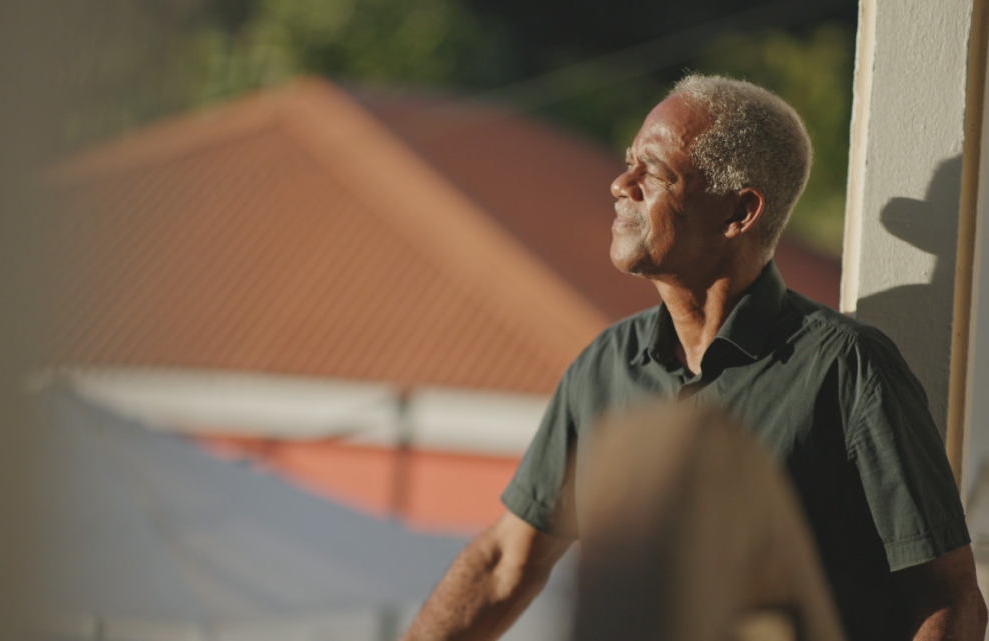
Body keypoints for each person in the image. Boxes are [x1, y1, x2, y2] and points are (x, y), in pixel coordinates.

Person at [399, 75, 988, 641]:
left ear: (740, 213)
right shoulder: (602, 368)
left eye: (652, 170)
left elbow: (949, 598)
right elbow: (505, 563)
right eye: (629, 161)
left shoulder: (849, 371)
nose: (619, 184)